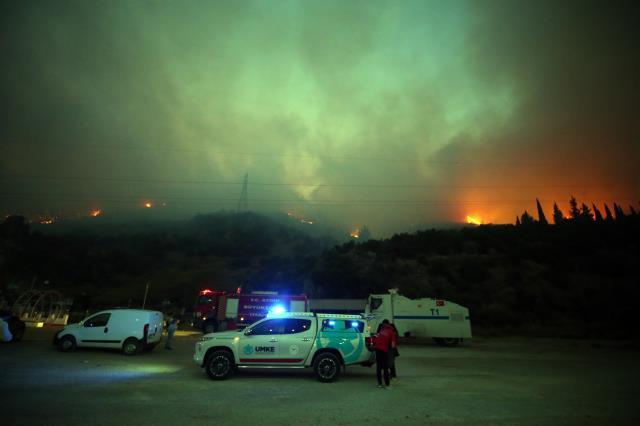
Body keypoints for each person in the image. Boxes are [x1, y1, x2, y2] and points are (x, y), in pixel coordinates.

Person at [374, 318, 397, 389]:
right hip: (384, 351)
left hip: (377, 350)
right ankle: (387, 385)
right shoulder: (391, 331)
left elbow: (377, 338)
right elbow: (393, 345)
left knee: (378, 368)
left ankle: (379, 384)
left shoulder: (381, 330)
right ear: (389, 324)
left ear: (383, 324)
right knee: (385, 368)